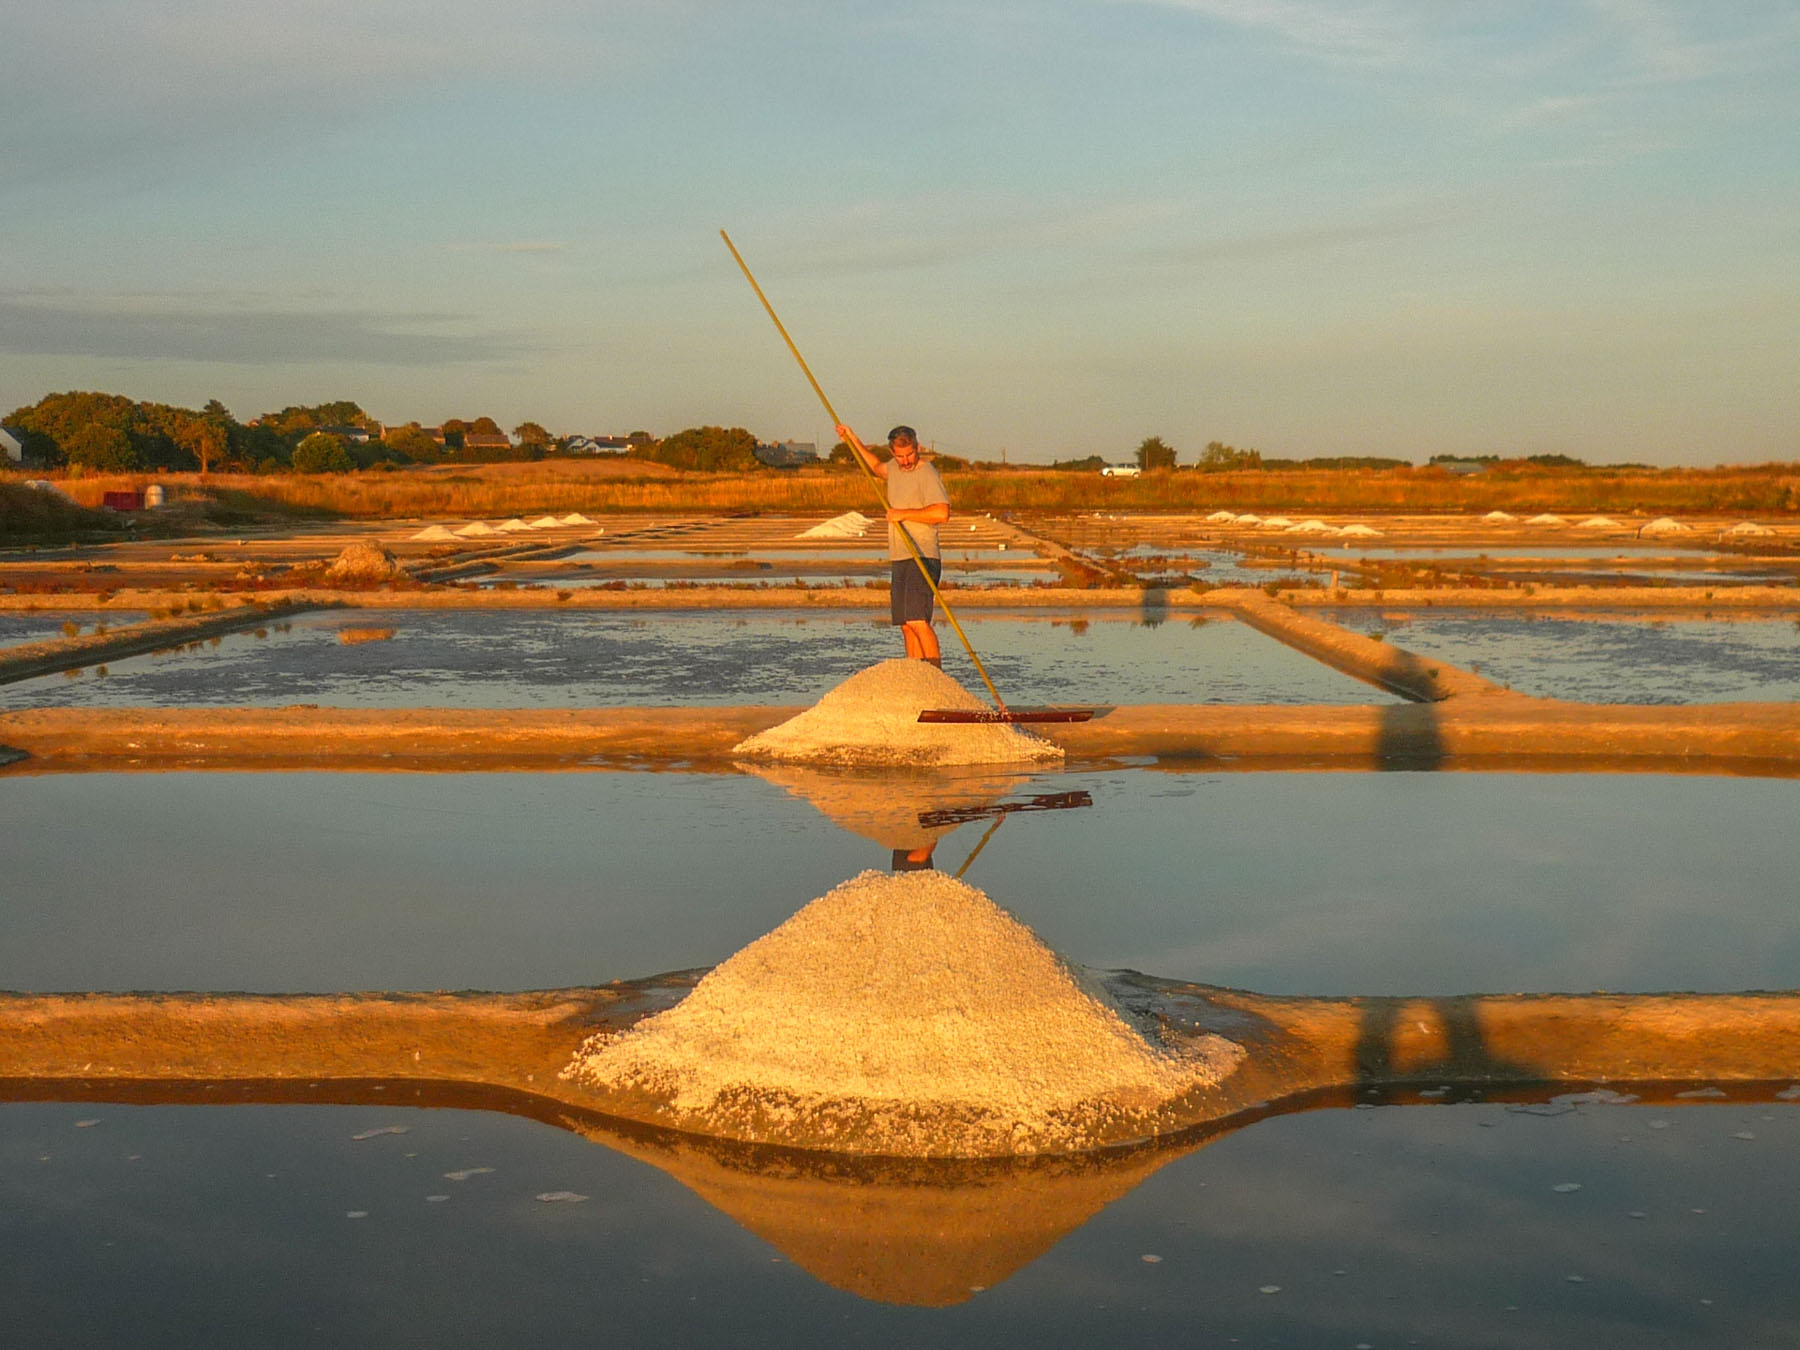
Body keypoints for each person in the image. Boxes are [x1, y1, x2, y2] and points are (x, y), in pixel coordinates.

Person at [834, 422, 950, 666]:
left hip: (922, 555)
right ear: (893, 453)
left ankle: (936, 680)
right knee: (906, 625)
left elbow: (941, 513)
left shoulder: (927, 472)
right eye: (900, 456)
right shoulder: (894, 469)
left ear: (918, 448)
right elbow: (876, 467)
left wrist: (902, 513)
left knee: (918, 620)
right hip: (899, 556)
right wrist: (852, 439)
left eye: (909, 455)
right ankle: (915, 675)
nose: (906, 461)